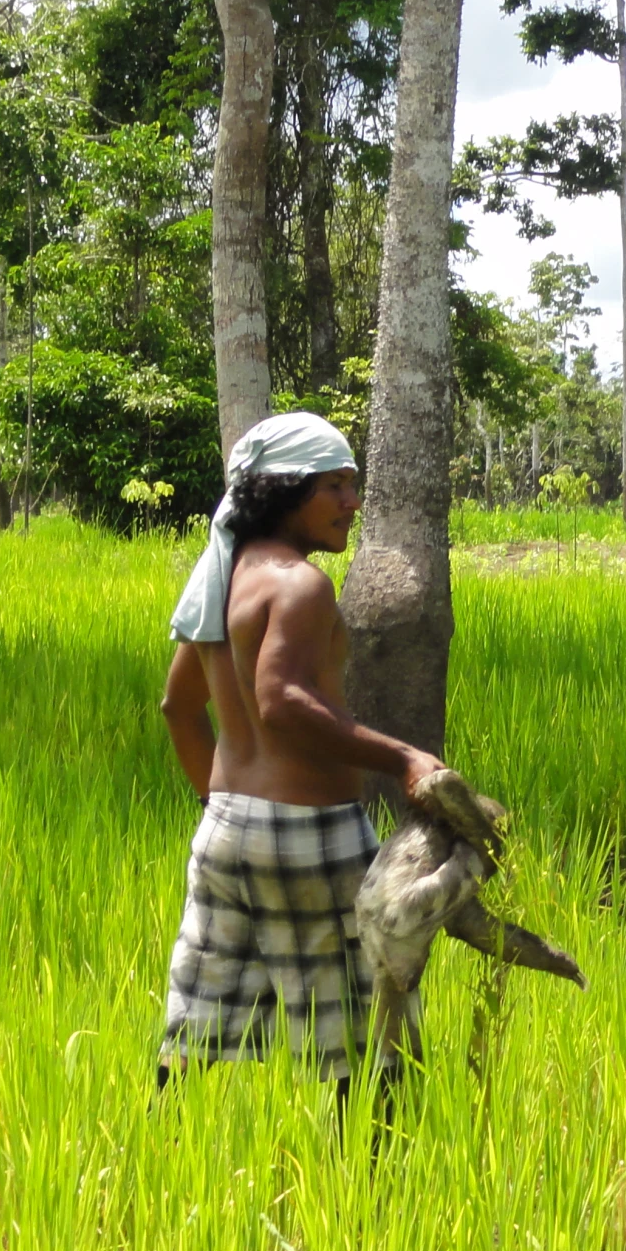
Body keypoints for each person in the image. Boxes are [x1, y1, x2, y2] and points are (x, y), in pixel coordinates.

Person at [156, 412, 441, 1094]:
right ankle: (372, 1194)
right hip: (311, 835)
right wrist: (403, 758)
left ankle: (151, 1170)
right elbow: (280, 699)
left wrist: (225, 809)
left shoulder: (224, 580)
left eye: (353, 483)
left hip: (225, 835)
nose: (352, 502)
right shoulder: (299, 585)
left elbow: (178, 707)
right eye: (334, 486)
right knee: (369, 1036)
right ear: (282, 491)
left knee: (198, 1028)